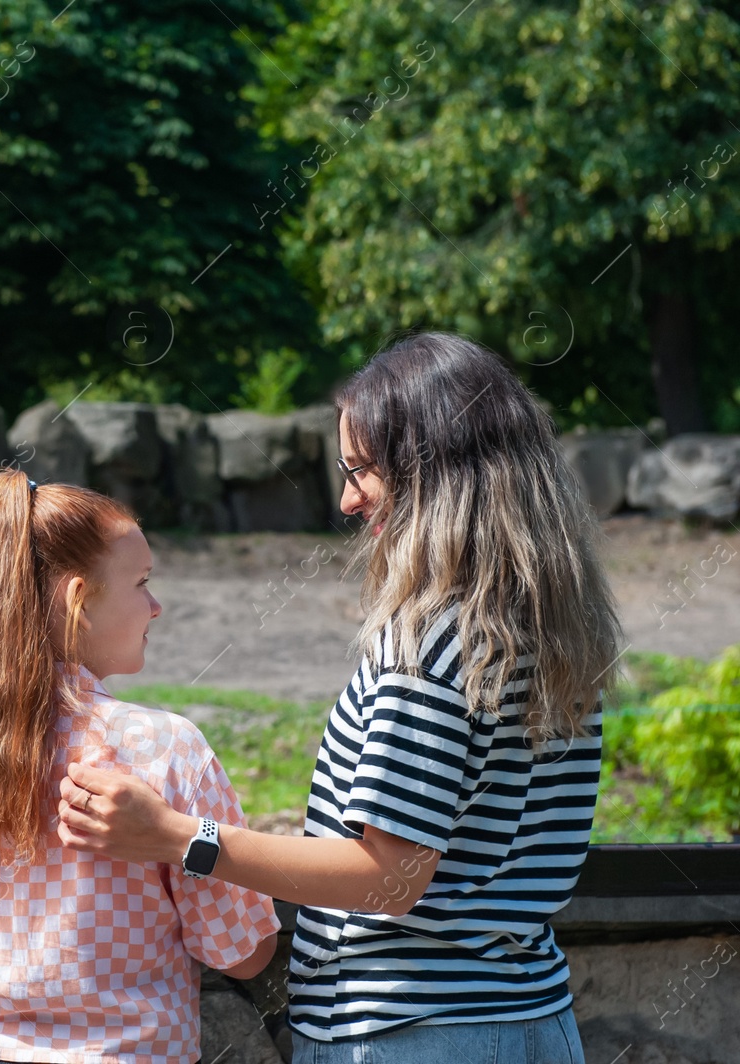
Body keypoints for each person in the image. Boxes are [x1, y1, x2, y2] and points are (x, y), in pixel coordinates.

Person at [57, 332, 622, 1064]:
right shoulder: (552, 624)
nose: (349, 499)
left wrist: (176, 837)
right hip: (535, 1018)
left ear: (433, 468)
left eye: (362, 470)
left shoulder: (427, 639)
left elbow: (389, 877)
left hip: (409, 1030)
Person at [0, 468, 282, 1064]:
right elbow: (241, 950)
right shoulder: (167, 750)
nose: (156, 606)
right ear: (78, 599)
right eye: (141, 582)